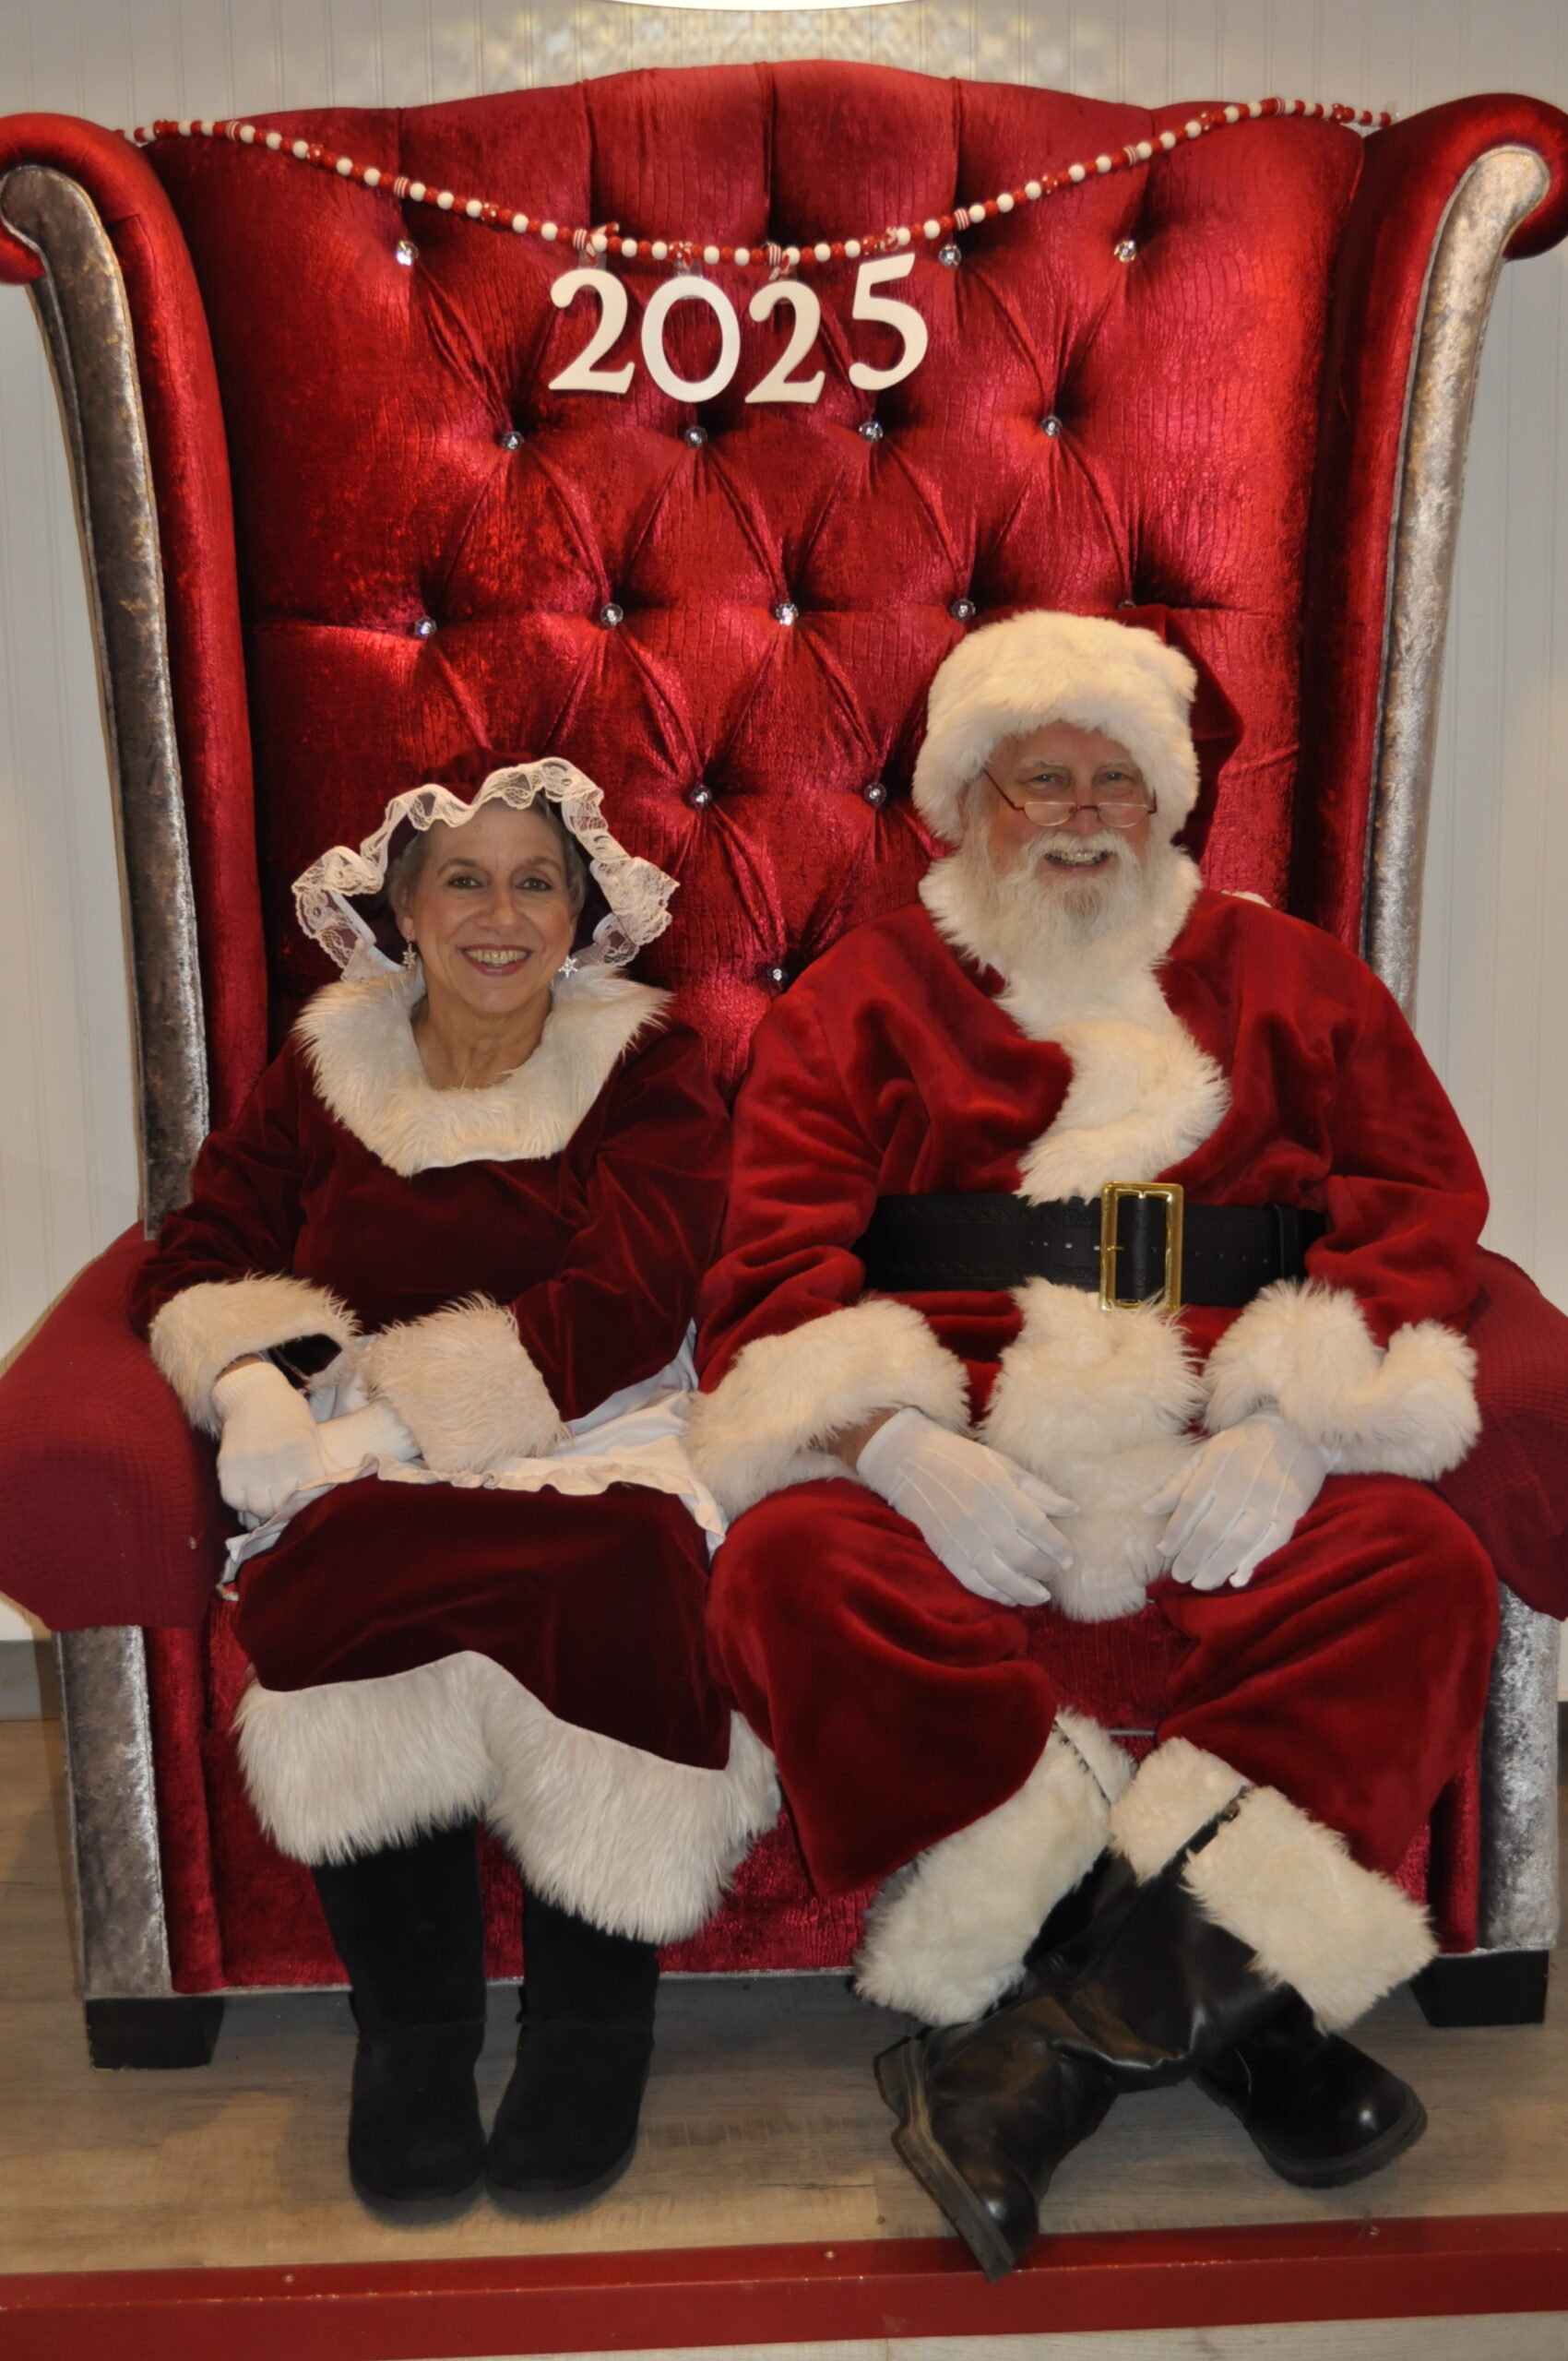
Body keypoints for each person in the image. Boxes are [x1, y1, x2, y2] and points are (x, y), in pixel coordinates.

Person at [688, 611, 1496, 2278]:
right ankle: (1247, 2027)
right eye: (1036, 781)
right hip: (968, 1427)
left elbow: (1420, 1206)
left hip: (1219, 1425)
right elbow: (769, 1270)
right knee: (786, 1566)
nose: (1078, 815)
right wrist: (890, 1440)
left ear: (1172, 800)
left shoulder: (1296, 979)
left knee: (1419, 1564)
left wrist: (1300, 1414)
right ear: (960, 804)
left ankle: (1034, 2063)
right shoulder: (862, 997)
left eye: (1115, 781)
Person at [132, 757, 775, 2215]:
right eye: (464, 882)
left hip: (590, 1421)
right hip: (349, 1427)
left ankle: (593, 2032)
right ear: (404, 913)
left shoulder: (648, 1063)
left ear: (581, 912)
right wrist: (251, 1385)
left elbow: (631, 1298)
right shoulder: (324, 1065)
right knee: (348, 1564)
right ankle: (414, 2037)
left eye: (536, 882)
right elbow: (207, 1247)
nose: (501, 915)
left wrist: (391, 1436)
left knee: (628, 1571)